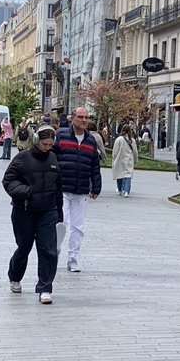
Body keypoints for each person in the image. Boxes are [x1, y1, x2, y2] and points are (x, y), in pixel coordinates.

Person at [2, 125, 63, 304]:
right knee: (24, 247)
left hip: (48, 211)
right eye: (44, 144)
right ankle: (14, 276)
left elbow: (58, 187)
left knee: (48, 250)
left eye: (50, 145)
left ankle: (45, 288)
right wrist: (24, 191)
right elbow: (8, 180)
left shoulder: (53, 159)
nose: (47, 148)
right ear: (36, 140)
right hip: (24, 211)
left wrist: (59, 213)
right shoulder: (22, 158)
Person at [52, 107, 101, 273]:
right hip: (62, 188)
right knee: (62, 223)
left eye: (86, 117)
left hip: (81, 190)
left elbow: (95, 165)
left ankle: (73, 258)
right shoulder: (61, 135)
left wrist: (96, 186)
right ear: (72, 118)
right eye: (80, 117)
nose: (84, 120)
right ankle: (54, 253)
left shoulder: (91, 140)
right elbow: (51, 156)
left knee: (78, 227)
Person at [112, 126, 137, 197]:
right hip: (129, 160)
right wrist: (135, 160)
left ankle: (120, 190)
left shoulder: (118, 139)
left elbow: (115, 151)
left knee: (119, 175)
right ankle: (126, 192)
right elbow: (135, 151)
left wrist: (114, 159)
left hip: (119, 159)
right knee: (128, 176)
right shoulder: (132, 140)